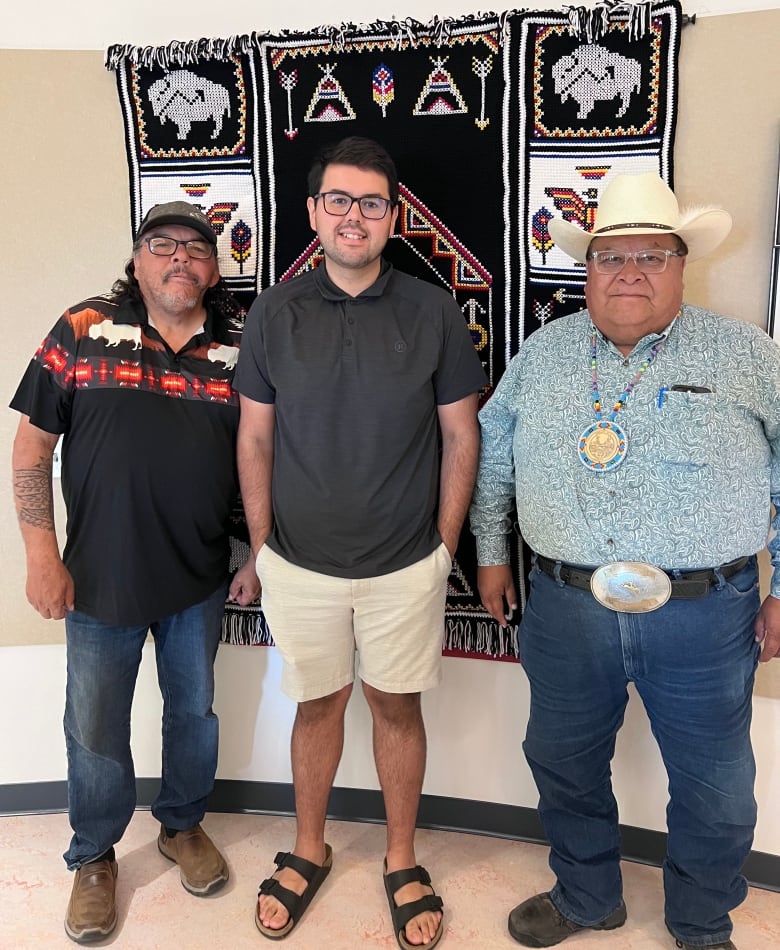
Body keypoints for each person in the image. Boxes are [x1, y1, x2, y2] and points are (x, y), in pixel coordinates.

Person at [470, 172, 780, 950]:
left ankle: (702, 922)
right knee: (561, 761)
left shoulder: (746, 354)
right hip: (566, 610)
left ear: (682, 264)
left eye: (653, 255)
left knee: (718, 792)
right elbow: (492, 457)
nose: (631, 272)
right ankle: (586, 895)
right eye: (612, 257)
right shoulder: (542, 354)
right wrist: (492, 556)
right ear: (589, 268)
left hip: (706, 617)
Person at [235, 136, 485, 947]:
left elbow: (461, 437)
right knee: (317, 707)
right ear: (313, 213)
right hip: (298, 563)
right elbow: (254, 440)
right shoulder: (275, 312)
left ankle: (402, 858)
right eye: (338, 200)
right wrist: (265, 546)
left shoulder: (433, 311)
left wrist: (445, 549)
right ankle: (308, 849)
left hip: (406, 563)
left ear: (394, 217)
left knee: (395, 707)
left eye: (371, 203)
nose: (354, 216)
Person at [10, 201, 260, 944]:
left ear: (215, 269)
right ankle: (93, 857)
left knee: (194, 715)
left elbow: (258, 458)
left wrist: (251, 558)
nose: (179, 259)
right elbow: (30, 452)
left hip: (200, 579)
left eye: (196, 249)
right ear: (137, 258)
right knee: (94, 729)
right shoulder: (84, 327)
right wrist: (40, 557)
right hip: (97, 579)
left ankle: (183, 826)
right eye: (163, 245)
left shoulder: (238, 351)